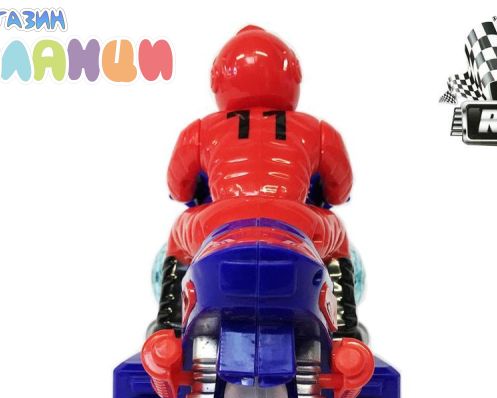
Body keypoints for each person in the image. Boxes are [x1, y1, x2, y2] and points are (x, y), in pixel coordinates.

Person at [153, 25, 364, 341]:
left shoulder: (199, 131)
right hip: (295, 225)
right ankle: (345, 328)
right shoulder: (318, 130)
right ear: (292, 77)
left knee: (180, 229)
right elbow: (339, 191)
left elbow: (179, 188)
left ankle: (168, 324)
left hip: (219, 225)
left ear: (219, 80)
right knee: (336, 231)